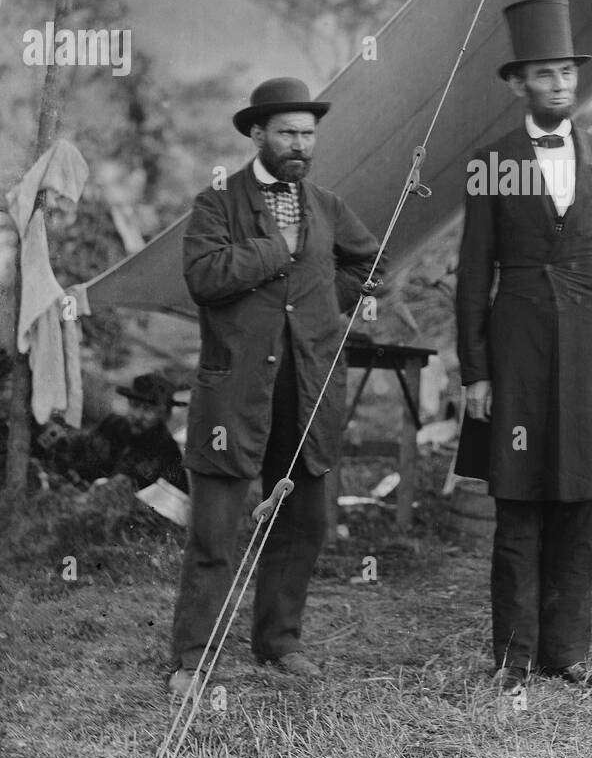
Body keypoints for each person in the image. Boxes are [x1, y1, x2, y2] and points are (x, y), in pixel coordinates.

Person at [168, 78, 379, 697]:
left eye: (308, 133)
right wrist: (274, 250)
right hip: (234, 391)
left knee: (303, 519)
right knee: (216, 526)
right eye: (287, 132)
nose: (299, 144)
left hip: (309, 387)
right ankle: (191, 658)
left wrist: (319, 305)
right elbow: (204, 277)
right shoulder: (217, 203)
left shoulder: (327, 204)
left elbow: (369, 263)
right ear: (257, 134)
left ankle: (278, 641)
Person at [455, 0, 592, 694]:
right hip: (517, 355)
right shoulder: (492, 164)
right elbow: (473, 272)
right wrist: (475, 370)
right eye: (545, 74)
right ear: (517, 84)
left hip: (591, 358)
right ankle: (513, 655)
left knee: (580, 506)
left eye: (567, 72)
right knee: (519, 505)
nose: (561, 84)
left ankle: (569, 651)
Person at [72, 372, 188, 492]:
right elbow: (81, 453)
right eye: (135, 405)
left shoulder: (167, 452)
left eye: (148, 410)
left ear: (165, 415)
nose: (137, 415)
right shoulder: (112, 424)